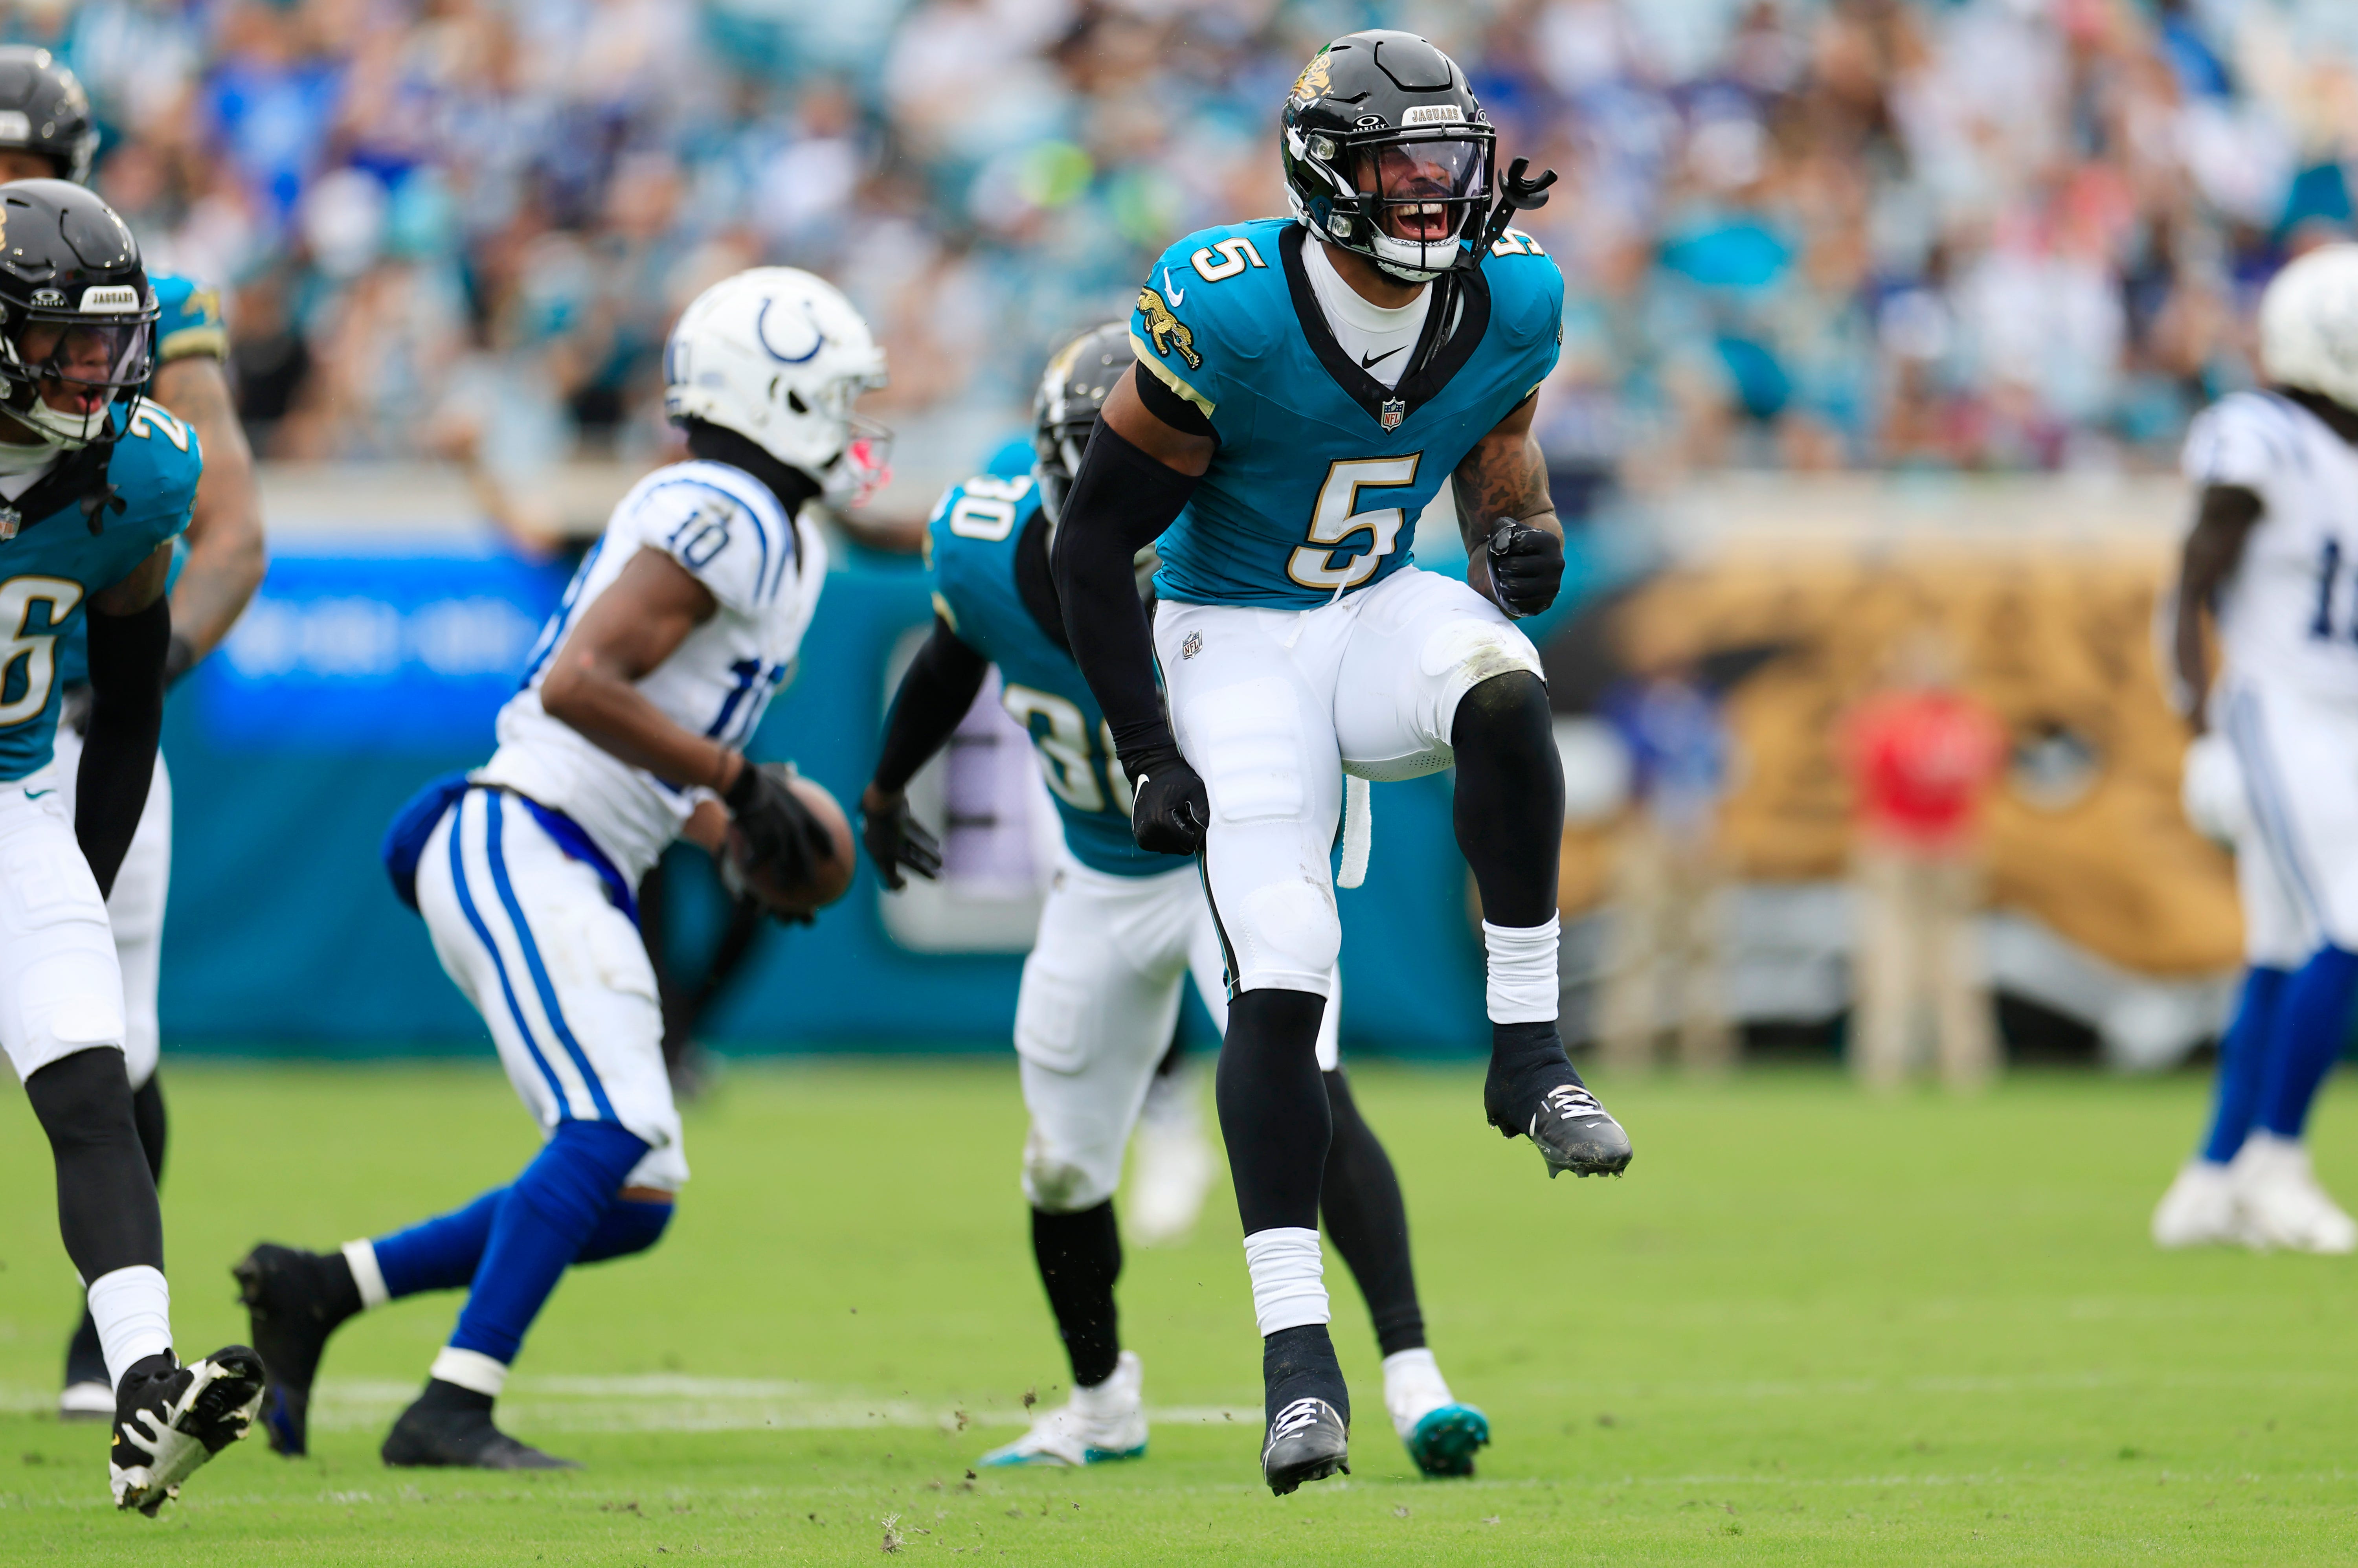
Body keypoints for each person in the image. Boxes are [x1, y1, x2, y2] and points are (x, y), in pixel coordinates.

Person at [1046, 32, 1632, 1494]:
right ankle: (1296, 1362)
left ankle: (1529, 1053)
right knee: (1286, 972)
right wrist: (1143, 742)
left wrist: (1513, 527)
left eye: (1448, 164)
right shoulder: (1227, 308)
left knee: (1503, 682)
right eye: (1401, 168)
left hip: (1368, 604)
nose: (1434, 195)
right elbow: (1091, 536)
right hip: (1230, 634)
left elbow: (1498, 431)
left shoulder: (1514, 291)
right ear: (1326, 174)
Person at [232, 268, 887, 1467]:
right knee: (609, 1127)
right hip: (526, 831)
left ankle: (320, 1288)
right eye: (833, 397)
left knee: (631, 1195)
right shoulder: (724, 510)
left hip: (577, 845)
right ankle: (450, 1406)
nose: (851, 424)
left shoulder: (778, 537)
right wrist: (743, 791)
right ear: (775, 398)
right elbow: (576, 687)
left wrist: (735, 830)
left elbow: (650, 752)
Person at [862, 324, 1491, 1478]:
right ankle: (1101, 1403)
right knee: (1059, 1162)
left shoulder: (1246, 551)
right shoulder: (977, 539)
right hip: (1100, 874)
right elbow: (958, 650)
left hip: (1235, 853)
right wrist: (883, 781)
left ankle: (1411, 1375)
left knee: (1311, 1083)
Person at [0, 46, 273, 1424]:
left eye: (107, 343)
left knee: (95, 1067)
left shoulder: (142, 462)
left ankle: (141, 1382)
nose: (93, 368)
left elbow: (135, 684)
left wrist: (74, 891)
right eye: (63, 343)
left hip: (17, 787)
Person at [2150, 242, 2358, 1254]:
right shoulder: (2260, 434)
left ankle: (2213, 1175)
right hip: (2280, 711)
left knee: (2282, 949)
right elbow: (2190, 582)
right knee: (2351, 925)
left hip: (2342, 719)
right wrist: (2199, 731)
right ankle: (2279, 1161)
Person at [1839, 639, 2008, 1091]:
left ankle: (1887, 1064)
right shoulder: (1973, 724)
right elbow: (1986, 774)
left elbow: (1864, 771)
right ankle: (1965, 1066)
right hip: (1953, 844)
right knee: (1956, 954)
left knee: (1893, 954)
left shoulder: (1887, 720)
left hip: (1898, 843)